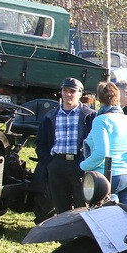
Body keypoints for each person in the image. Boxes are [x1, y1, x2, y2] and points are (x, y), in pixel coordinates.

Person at [35, 77, 97, 215]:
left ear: (80, 94)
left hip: (80, 165)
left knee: (83, 207)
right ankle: (65, 237)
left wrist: (86, 163)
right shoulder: (50, 116)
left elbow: (95, 143)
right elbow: (40, 142)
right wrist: (48, 162)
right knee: (61, 208)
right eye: (65, 90)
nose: (68, 94)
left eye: (72, 91)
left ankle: (82, 236)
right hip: (57, 164)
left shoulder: (90, 116)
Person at [80, 81, 127, 207]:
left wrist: (83, 165)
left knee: (109, 221)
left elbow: (101, 153)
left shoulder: (101, 120)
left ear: (99, 99)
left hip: (110, 177)